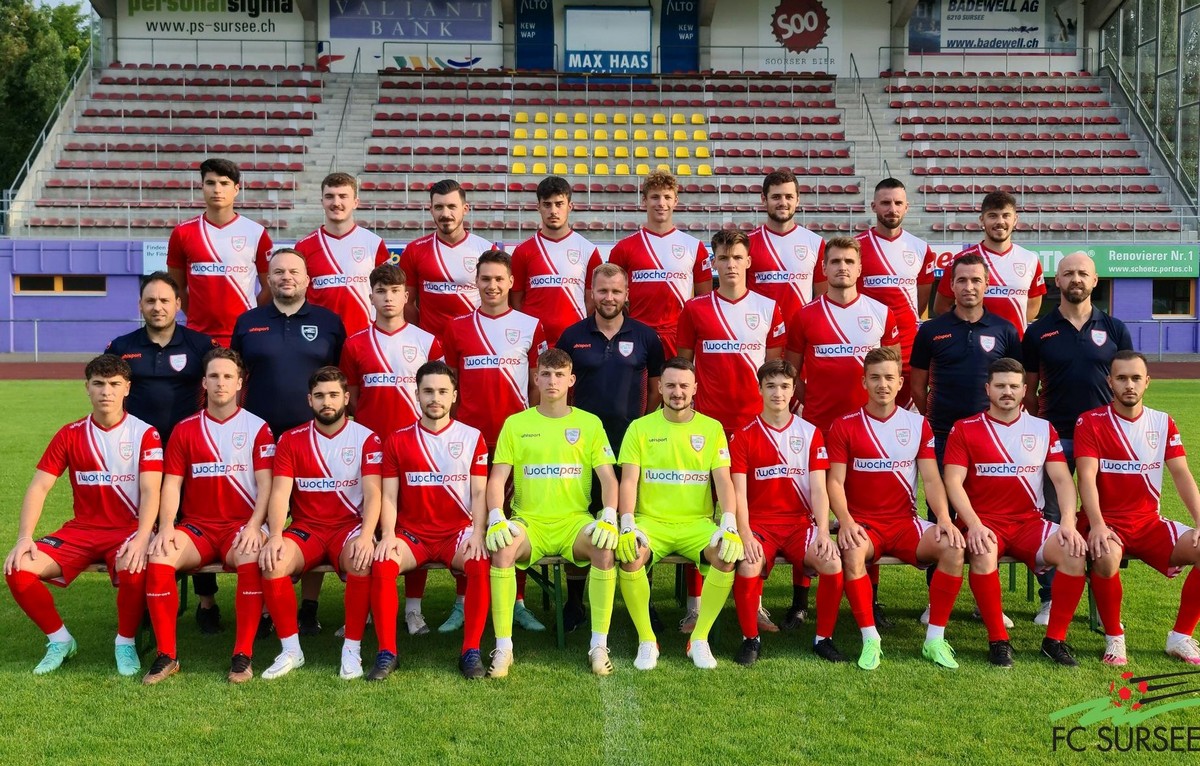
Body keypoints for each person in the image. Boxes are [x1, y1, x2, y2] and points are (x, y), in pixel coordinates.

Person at [4, 354, 161, 676]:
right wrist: (23, 538)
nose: (106, 391)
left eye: (115, 384)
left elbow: (150, 491)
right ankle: (60, 640)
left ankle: (125, 642)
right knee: (18, 569)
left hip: (128, 530)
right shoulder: (70, 434)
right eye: (99, 384)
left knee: (134, 566)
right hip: (81, 531)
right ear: (87, 387)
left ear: (127, 388)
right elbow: (39, 487)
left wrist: (143, 536)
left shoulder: (145, 433)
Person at [140, 348, 275, 684]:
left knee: (251, 556)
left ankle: (242, 655)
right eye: (214, 376)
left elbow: (266, 486)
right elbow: (172, 484)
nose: (220, 383)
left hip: (241, 526)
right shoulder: (185, 429)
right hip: (197, 528)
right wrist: (166, 526)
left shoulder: (258, 428)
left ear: (240, 383)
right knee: (159, 557)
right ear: (203, 382)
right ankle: (166, 655)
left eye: (228, 376)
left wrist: (255, 525)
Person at [942, 358, 1089, 667]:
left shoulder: (1042, 429)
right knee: (983, 552)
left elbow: (1063, 480)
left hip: (1029, 523)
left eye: (1013, 386)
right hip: (983, 522)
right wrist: (974, 524)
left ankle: (1054, 640)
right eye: (1000, 386)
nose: (1006, 392)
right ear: (988, 389)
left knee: (1074, 553)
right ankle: (998, 640)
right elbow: (952, 482)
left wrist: (1067, 522)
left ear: (1024, 390)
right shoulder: (965, 428)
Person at [826, 347, 966, 670]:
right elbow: (834, 482)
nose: (883, 385)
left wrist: (944, 519)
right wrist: (845, 521)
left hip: (905, 523)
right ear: (864, 382)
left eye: (889, 378)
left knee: (953, 547)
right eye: (875, 378)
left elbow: (931, 479)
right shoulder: (844, 425)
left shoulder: (917, 424)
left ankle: (934, 639)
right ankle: (870, 638)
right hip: (864, 525)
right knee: (851, 550)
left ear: (901, 382)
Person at [484, 349, 621, 677]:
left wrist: (609, 514)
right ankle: (503, 648)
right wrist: (495, 515)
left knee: (604, 548)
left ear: (571, 380)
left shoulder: (589, 424)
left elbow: (608, 479)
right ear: (535, 378)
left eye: (560, 375)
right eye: (546, 374)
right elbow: (497, 478)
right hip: (529, 523)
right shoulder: (516, 424)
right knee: (502, 548)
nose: (552, 381)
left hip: (574, 523)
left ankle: (598, 646)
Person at [231, 248, 347, 635]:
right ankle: (266, 606)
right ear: (268, 279)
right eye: (278, 272)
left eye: (294, 272)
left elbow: (341, 380)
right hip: (259, 439)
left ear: (307, 280)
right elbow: (234, 378)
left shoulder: (329, 322)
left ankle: (309, 607)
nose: (286, 277)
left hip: (315, 439)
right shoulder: (248, 322)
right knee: (266, 516)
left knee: (313, 518)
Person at [105, 271, 223, 633]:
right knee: (144, 522)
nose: (158, 307)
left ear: (178, 304)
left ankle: (206, 602)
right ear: (140, 305)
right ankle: (146, 600)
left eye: (165, 300)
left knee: (193, 522)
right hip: (139, 454)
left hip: (191, 452)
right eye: (150, 301)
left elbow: (224, 383)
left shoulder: (200, 345)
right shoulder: (121, 346)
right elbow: (108, 390)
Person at [910, 253, 1022, 626]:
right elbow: (917, 384)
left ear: (987, 285)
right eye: (962, 280)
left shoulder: (1005, 330)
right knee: (941, 517)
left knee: (987, 515)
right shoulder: (932, 330)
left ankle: (985, 601)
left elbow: (1015, 382)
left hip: (990, 440)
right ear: (952, 285)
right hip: (943, 436)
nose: (969, 287)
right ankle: (936, 600)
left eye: (976, 280)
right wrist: (932, 420)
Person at [1022, 251, 1132, 624]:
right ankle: (1051, 597)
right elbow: (1029, 390)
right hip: (1056, 437)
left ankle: (1102, 598)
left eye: (1083, 273)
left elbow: (1126, 383)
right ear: (1057, 281)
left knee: (1105, 516)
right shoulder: (1038, 331)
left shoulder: (1115, 328)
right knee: (1053, 516)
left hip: (1103, 440)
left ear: (1095, 280)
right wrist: (1040, 431)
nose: (1076, 279)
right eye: (1068, 273)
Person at [442, 249, 548, 631]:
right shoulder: (456, 328)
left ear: (511, 282)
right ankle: (462, 601)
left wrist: (530, 429)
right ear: (476, 282)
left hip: (514, 440)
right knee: (468, 519)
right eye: (485, 279)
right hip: (469, 442)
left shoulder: (530, 325)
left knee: (514, 519)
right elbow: (450, 386)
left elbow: (536, 385)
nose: (492, 286)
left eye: (499, 279)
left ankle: (517, 602)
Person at [556, 262, 665, 631]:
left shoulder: (646, 337)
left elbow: (657, 388)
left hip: (631, 446)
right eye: (602, 290)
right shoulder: (572, 336)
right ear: (591, 292)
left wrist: (641, 427)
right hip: (582, 448)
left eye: (616, 291)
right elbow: (561, 387)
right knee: (583, 519)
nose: (609, 297)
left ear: (627, 294)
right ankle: (575, 602)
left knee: (636, 522)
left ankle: (644, 602)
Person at [614, 357, 742, 670]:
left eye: (684, 385)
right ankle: (647, 639)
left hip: (696, 525)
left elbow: (723, 481)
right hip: (650, 523)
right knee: (629, 555)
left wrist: (729, 522)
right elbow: (628, 481)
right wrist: (627, 522)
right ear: (659, 387)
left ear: (695, 388)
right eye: (670, 385)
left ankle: (699, 638)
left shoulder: (711, 429)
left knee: (726, 555)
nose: (677, 392)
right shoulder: (640, 428)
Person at [256, 367, 383, 680]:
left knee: (361, 560)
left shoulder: (366, 438)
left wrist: (367, 535)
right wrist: (275, 535)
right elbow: (280, 492)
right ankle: (291, 650)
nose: (327, 402)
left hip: (348, 527)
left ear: (346, 398)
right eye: (320, 396)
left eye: (334, 395)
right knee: (274, 562)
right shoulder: (290, 439)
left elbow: (373, 493)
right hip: (307, 528)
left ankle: (351, 649)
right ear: (309, 400)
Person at [339, 263, 446, 636]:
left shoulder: (427, 341)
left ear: (406, 296)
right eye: (381, 291)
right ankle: (366, 606)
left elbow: (437, 394)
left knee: (413, 524)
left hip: (416, 447)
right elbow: (353, 398)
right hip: (371, 448)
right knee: (368, 522)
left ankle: (413, 610)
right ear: (370, 296)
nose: (388, 298)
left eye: (395, 291)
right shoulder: (354, 343)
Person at [369, 360, 491, 680]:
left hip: (457, 533)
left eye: (442, 391)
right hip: (413, 535)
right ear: (417, 395)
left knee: (479, 563)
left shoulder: (472, 437)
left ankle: (471, 651)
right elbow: (389, 495)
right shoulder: (397, 439)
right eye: (428, 391)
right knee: (382, 564)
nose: (435, 398)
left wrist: (478, 533)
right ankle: (386, 653)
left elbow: (480, 492)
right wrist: (388, 534)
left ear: (454, 395)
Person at [1076, 351, 1200, 666]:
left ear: (1147, 381)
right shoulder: (1090, 421)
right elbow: (1086, 478)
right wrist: (1098, 525)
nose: (1129, 385)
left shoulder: (1162, 422)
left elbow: (1181, 474)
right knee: (1106, 555)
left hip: (1148, 523)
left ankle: (1180, 637)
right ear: (1110, 382)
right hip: (1105, 522)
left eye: (1135, 378)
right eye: (1121, 378)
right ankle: (1114, 637)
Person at [730, 359, 845, 666]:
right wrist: (745, 534)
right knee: (747, 565)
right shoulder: (743, 435)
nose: (777, 393)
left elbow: (819, 489)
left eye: (784, 386)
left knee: (832, 561)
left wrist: (823, 532)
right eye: (770, 386)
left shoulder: (810, 432)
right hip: (759, 525)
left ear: (794, 390)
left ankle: (823, 639)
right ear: (759, 390)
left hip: (800, 525)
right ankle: (750, 639)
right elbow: (738, 493)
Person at [585, 170, 711, 358]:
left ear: (676, 201)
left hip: (679, 338)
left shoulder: (694, 247)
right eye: (655, 197)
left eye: (667, 197)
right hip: (635, 336)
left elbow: (704, 301)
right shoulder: (623, 248)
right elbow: (613, 296)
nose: (661, 203)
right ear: (644, 201)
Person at [785, 236, 900, 435]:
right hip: (820, 424)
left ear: (859, 269)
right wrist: (812, 402)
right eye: (835, 261)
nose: (843, 267)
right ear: (824, 268)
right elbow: (791, 373)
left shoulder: (881, 313)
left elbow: (894, 370)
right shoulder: (804, 316)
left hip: (870, 424)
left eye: (849, 261)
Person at [677, 227, 786, 436]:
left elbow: (772, 370)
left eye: (737, 257)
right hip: (706, 419)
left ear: (748, 262)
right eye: (723, 258)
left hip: (755, 418)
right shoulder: (693, 308)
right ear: (713, 262)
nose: (731, 265)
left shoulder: (768, 308)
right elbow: (684, 367)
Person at [165, 158, 272, 345]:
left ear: (236, 189)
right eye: (210, 183)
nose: (217, 189)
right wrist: (196, 317)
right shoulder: (182, 233)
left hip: (244, 334)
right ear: (202, 187)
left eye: (224, 183)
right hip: (198, 335)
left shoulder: (256, 232)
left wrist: (251, 315)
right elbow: (177, 288)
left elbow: (270, 286)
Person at [856, 178, 937, 408]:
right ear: (873, 206)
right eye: (885, 203)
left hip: (908, 343)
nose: (892, 209)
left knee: (908, 408)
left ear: (906, 207)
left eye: (898, 203)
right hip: (866, 340)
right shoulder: (856, 247)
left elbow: (922, 298)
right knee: (869, 405)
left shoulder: (920, 248)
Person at [932, 190, 1046, 339]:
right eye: (992, 216)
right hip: (972, 346)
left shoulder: (1030, 259)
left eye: (1006, 215)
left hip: (1015, 346)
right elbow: (942, 307)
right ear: (982, 220)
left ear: (1015, 219)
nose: (1000, 222)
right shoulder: (962, 261)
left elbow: (1033, 307)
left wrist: (1007, 332)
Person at [398, 179, 499, 339]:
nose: (445, 214)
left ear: (465, 209)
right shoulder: (414, 251)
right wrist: (423, 338)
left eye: (452, 206)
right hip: (432, 345)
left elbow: (500, 303)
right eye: (439, 207)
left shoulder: (487, 250)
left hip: (474, 341)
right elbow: (406, 303)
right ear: (431, 210)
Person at [294, 172, 391, 337]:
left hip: (365, 336)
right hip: (319, 337)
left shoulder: (374, 243)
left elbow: (388, 292)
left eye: (343, 196)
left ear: (355, 202)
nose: (336, 203)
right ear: (322, 202)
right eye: (329, 196)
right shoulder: (304, 247)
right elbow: (296, 297)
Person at [510, 175, 599, 345]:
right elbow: (516, 301)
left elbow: (592, 300)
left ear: (570, 206)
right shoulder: (522, 251)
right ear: (538, 207)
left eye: (559, 204)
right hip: (533, 340)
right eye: (547, 204)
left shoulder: (588, 250)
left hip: (575, 339)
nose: (553, 211)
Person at [747, 168, 827, 321]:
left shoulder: (816, 242)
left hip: (801, 330)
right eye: (776, 197)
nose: (783, 203)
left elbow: (822, 296)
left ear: (797, 200)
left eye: (789, 197)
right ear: (764, 199)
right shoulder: (747, 243)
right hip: (760, 330)